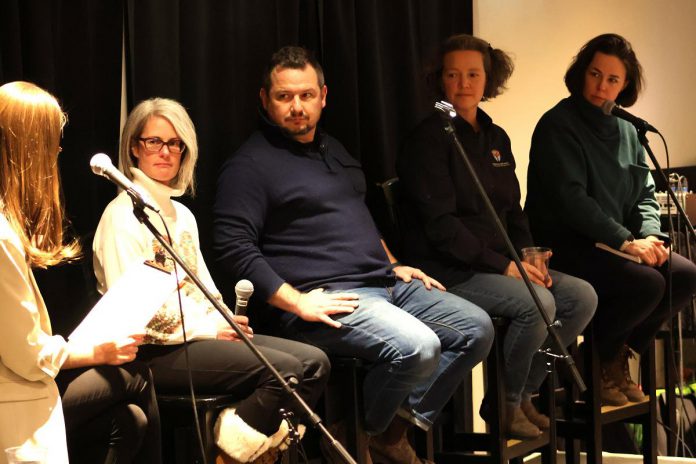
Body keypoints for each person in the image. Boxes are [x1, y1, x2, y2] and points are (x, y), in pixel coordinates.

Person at [213, 45, 494, 464]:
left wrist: (394, 264)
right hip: (328, 297)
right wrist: (296, 300)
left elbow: (357, 216)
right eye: (284, 97)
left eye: (306, 96)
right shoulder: (250, 165)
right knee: (419, 347)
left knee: (477, 328)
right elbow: (232, 246)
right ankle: (356, 437)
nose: (296, 107)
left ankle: (384, 431)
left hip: (383, 282)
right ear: (264, 100)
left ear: (323, 96)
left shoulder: (335, 150)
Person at [93, 97, 330, 464]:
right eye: (154, 141)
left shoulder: (182, 214)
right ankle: (228, 457)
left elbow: (203, 286)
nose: (165, 152)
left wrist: (224, 319)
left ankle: (253, 451)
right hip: (152, 351)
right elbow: (137, 314)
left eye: (175, 143)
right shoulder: (122, 216)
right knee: (284, 370)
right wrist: (211, 329)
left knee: (314, 362)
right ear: (134, 148)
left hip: (198, 337)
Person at [396, 34, 597, 438]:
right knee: (537, 301)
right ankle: (503, 405)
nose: (464, 83)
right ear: (440, 81)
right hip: (449, 270)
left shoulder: (496, 137)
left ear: (489, 80)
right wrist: (505, 265)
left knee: (580, 298)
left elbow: (511, 210)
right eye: (453, 74)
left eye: (473, 74)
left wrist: (530, 256)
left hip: (501, 264)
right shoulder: (428, 138)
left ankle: (524, 393)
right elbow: (441, 227)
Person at [525, 33, 696, 406]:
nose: (601, 86)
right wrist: (625, 240)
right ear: (581, 74)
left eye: (613, 80)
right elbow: (572, 201)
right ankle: (598, 361)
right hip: (569, 245)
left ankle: (613, 357)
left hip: (615, 244)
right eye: (595, 74)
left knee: (683, 275)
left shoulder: (627, 129)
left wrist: (652, 236)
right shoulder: (558, 124)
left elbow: (645, 192)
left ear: (626, 85)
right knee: (645, 285)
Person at [0, 81, 160, 464]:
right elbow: (26, 355)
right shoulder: (2, 239)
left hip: (19, 382)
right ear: (29, 150)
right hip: (11, 397)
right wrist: (95, 351)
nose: (55, 156)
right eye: (51, 145)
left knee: (127, 421)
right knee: (135, 377)